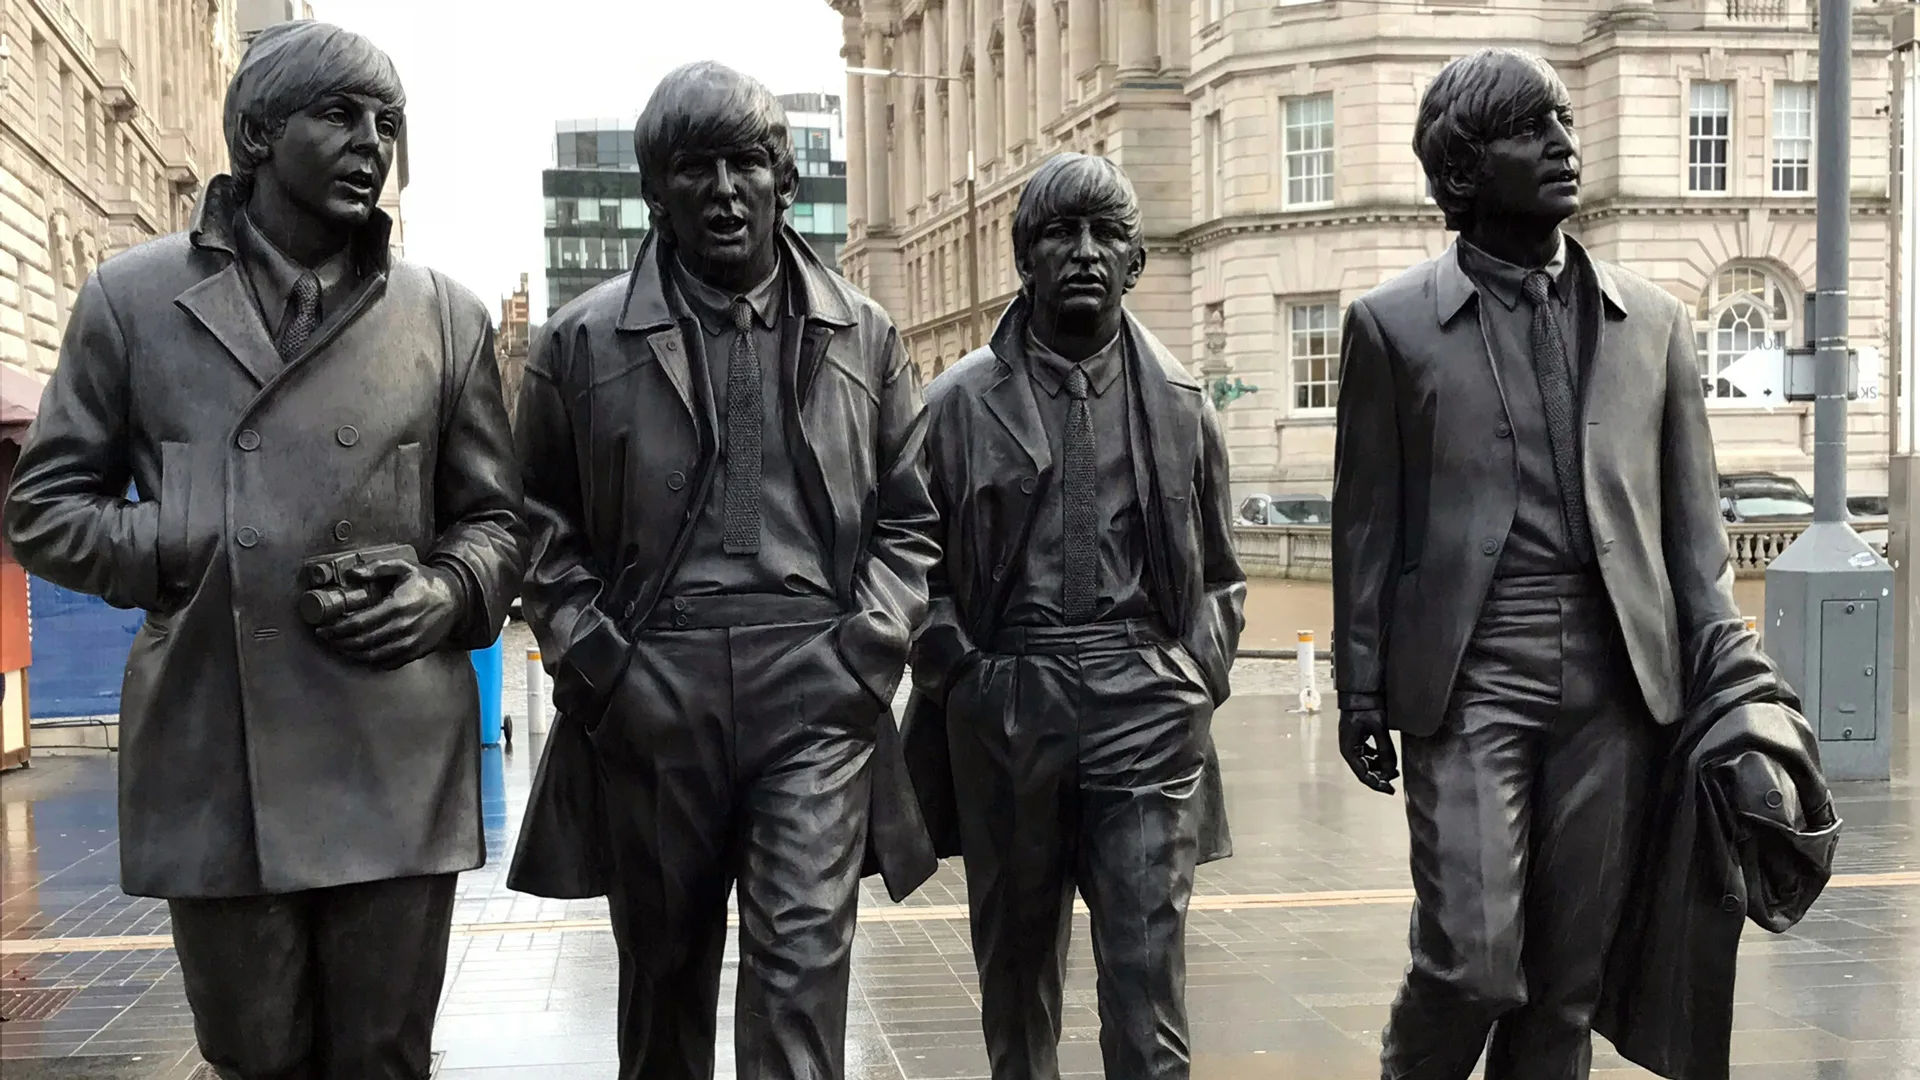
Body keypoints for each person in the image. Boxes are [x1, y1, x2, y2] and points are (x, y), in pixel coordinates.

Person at [2, 21, 523, 1080]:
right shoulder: (132, 300)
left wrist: (447, 588)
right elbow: (45, 508)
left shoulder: (445, 317)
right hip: (216, 745)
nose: (371, 144)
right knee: (252, 1055)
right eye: (338, 116)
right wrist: (181, 537)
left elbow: (502, 523)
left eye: (387, 124)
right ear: (254, 133)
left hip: (391, 748)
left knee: (381, 1056)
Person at [1330, 48, 1797, 1079]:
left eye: (1564, 122)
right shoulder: (1391, 327)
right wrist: (1360, 689)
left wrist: (1742, 703)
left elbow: (1694, 550)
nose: (1563, 145)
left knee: (1565, 985)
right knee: (1473, 965)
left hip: (1618, 682)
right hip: (1468, 675)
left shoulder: (1654, 326)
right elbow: (1368, 527)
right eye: (1529, 128)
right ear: (1461, 170)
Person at [506, 61, 940, 1080]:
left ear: (783, 180)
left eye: (747, 162)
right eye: (693, 167)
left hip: (815, 687)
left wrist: (868, 651)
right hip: (656, 682)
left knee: (801, 979)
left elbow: (913, 519)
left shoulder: (864, 338)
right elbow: (534, 523)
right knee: (665, 986)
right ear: (655, 191)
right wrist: (599, 664)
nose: (724, 189)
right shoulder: (578, 344)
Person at [901, 153, 1245, 1080]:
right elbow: (907, 565)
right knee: (1017, 986)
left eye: (1108, 237)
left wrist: (1192, 677)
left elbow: (1219, 573)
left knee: (1149, 990)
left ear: (1136, 263)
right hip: (1011, 696)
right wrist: (965, 679)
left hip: (1146, 700)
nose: (1086, 253)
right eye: (1061, 234)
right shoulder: (956, 404)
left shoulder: (1180, 404)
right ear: (1024, 259)